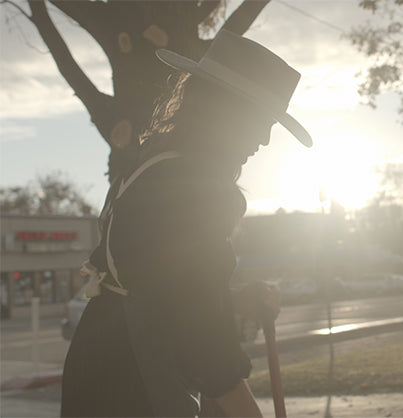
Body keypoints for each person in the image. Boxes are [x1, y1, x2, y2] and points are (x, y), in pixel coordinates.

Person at [61, 30, 312, 417]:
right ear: (223, 110)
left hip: (100, 373)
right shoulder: (194, 190)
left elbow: (163, 290)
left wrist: (234, 301)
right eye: (260, 120)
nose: (264, 139)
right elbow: (200, 334)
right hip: (131, 388)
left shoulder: (153, 168)